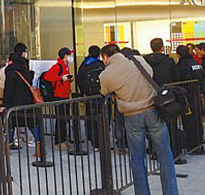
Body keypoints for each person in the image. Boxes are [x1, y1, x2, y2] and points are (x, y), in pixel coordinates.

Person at [99, 44, 178, 195]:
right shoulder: (138, 60)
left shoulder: (106, 74)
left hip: (132, 114)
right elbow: (150, 73)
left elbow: (104, 91)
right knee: (165, 154)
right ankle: (171, 192)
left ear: (105, 57)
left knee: (137, 157)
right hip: (153, 110)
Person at [2, 53, 39, 153]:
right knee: (32, 124)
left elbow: (8, 91)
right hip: (27, 103)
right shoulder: (27, 73)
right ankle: (40, 144)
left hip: (14, 104)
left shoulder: (11, 73)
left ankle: (8, 145)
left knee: (10, 125)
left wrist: (5, 104)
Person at [43, 47, 74, 149]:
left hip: (65, 95)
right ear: (65, 56)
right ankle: (58, 142)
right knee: (60, 119)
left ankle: (64, 140)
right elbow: (47, 77)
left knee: (64, 119)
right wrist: (61, 78)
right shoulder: (57, 66)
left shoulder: (65, 66)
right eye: (69, 55)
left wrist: (69, 79)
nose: (70, 57)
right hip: (59, 95)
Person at [76, 45, 105, 149]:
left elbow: (79, 79)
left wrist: (84, 92)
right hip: (100, 96)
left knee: (89, 117)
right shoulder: (100, 65)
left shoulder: (84, 64)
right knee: (100, 119)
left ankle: (91, 138)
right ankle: (99, 142)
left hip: (88, 96)